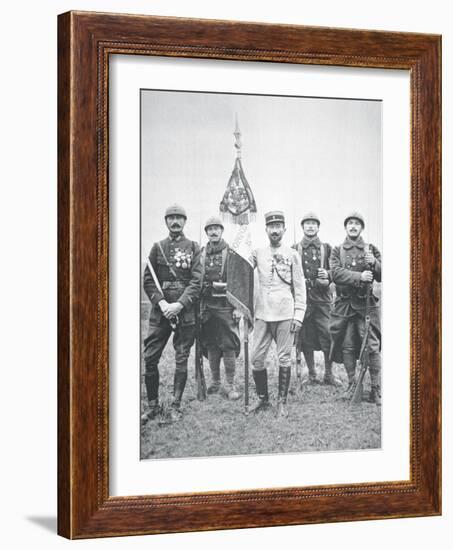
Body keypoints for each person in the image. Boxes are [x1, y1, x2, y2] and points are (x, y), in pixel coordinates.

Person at [142, 204, 202, 423]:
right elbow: (148, 280)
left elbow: (197, 282)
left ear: (185, 221)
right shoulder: (157, 248)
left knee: (181, 358)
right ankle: (152, 406)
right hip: (161, 313)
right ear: (166, 221)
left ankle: (175, 405)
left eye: (179, 218)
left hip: (184, 313)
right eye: (171, 218)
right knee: (149, 358)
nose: (175, 221)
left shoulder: (194, 247)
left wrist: (180, 305)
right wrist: (162, 304)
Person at [250, 211, 306, 417]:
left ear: (283, 229)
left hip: (285, 312)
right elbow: (243, 268)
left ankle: (281, 402)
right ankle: (263, 399)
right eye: (271, 226)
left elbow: (300, 287)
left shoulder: (292, 254)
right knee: (256, 358)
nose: (274, 230)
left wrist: (298, 314)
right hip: (263, 313)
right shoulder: (258, 253)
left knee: (284, 357)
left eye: (278, 226)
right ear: (266, 230)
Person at [329, 212, 382, 405]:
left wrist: (374, 263)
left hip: (366, 305)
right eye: (350, 223)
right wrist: (359, 277)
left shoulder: (371, 249)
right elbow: (335, 273)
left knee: (372, 347)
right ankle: (352, 384)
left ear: (362, 228)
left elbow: (383, 273)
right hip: (344, 306)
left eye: (357, 223)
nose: (353, 226)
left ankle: (376, 389)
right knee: (347, 345)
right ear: (345, 227)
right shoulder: (337, 250)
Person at [293, 212, 340, 385]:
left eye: (314, 223)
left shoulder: (327, 248)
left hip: (323, 300)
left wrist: (327, 275)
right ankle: (312, 374)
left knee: (327, 335)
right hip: (303, 300)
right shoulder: (294, 248)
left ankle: (329, 374)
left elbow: (337, 271)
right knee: (305, 337)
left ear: (318, 227)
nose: (311, 226)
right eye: (307, 223)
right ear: (303, 227)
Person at [199, 216, 241, 400]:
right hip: (207, 306)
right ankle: (215, 382)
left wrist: (238, 307)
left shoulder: (231, 253)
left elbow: (238, 282)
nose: (213, 232)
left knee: (229, 345)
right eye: (210, 229)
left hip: (226, 306)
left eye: (217, 228)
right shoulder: (200, 253)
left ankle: (229, 385)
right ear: (206, 232)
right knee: (211, 344)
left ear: (222, 231)